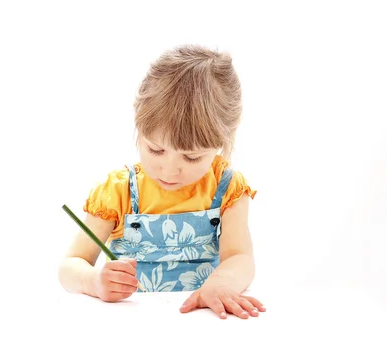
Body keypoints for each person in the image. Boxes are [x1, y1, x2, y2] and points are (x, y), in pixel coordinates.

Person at [58, 44, 264, 319]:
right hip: (129, 322)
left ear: (223, 139)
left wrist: (222, 284)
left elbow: (240, 257)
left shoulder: (227, 188)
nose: (169, 171)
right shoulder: (118, 190)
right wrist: (94, 282)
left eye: (191, 158)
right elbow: (70, 265)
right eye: (155, 150)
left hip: (202, 322)